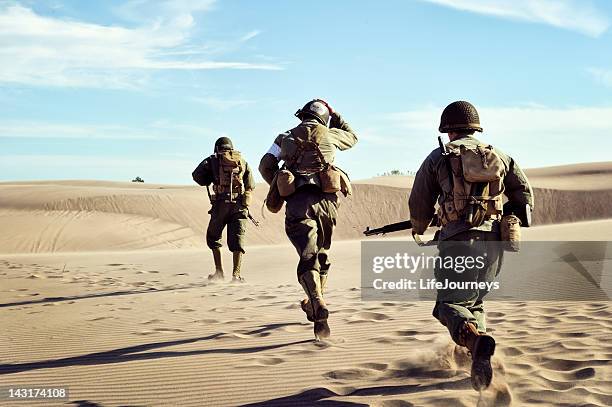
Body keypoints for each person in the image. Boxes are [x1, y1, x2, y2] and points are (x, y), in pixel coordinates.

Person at [408, 101, 533, 390]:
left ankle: (477, 343)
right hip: (494, 243)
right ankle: (477, 362)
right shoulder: (500, 155)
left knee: (448, 304)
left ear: (447, 130)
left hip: (458, 242)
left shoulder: (439, 156)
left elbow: (419, 200)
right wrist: (510, 216)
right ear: (475, 127)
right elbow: (524, 192)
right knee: (474, 301)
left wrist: (419, 227)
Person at [259, 99, 357, 339]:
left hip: (298, 203)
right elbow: (352, 137)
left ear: (302, 115)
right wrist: (337, 116)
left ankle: (316, 301)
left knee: (307, 256)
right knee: (321, 254)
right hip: (327, 204)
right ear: (324, 117)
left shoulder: (284, 137)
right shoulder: (332, 134)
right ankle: (318, 313)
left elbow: (265, 165)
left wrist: (280, 184)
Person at [192, 136, 255, 282]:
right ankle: (236, 274)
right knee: (238, 239)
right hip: (239, 205)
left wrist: (210, 172)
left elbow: (197, 176)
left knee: (213, 238)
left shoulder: (213, 160)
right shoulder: (241, 160)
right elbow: (250, 183)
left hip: (220, 204)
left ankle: (219, 271)